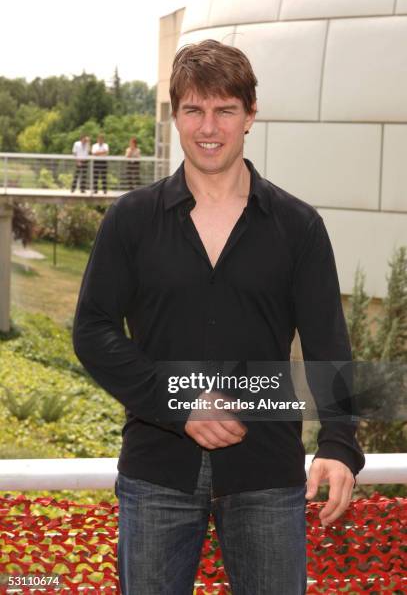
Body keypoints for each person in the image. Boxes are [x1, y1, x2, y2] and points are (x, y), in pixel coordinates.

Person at [73, 40, 365, 595]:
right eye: (194, 110)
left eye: (225, 110)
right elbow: (92, 331)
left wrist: (339, 443)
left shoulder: (298, 226)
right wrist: (177, 400)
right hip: (156, 471)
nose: (209, 127)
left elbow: (330, 341)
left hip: (268, 475)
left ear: (250, 115)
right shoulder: (130, 221)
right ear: (175, 117)